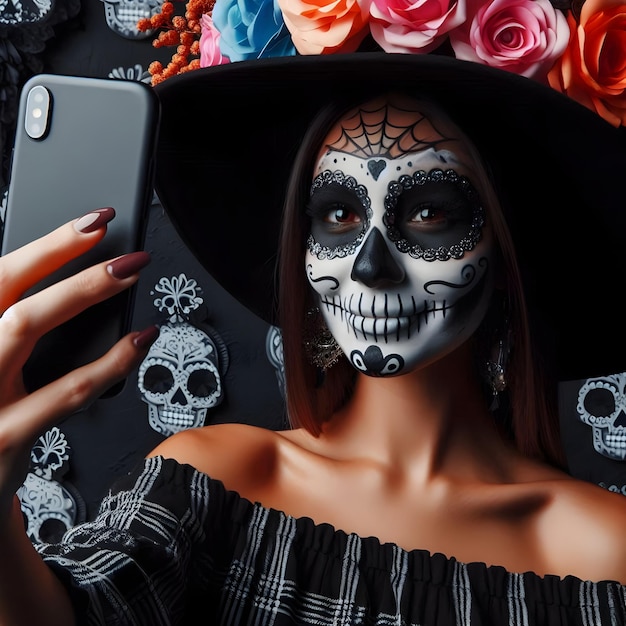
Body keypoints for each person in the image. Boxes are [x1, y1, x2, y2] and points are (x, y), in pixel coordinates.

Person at [1, 52, 626, 625]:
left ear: (507, 243)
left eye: (429, 212)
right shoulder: (216, 484)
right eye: (338, 215)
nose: (369, 267)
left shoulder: (606, 556)